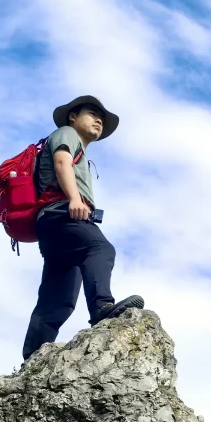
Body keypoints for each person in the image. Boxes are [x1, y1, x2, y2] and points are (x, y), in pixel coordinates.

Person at [22, 95, 143, 360]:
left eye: (102, 118)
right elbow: (61, 163)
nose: (99, 120)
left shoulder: (77, 147)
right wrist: (75, 199)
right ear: (73, 117)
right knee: (100, 248)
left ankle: (32, 357)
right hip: (62, 213)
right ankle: (102, 307)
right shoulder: (66, 133)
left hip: (51, 224)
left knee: (58, 298)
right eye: (92, 113)